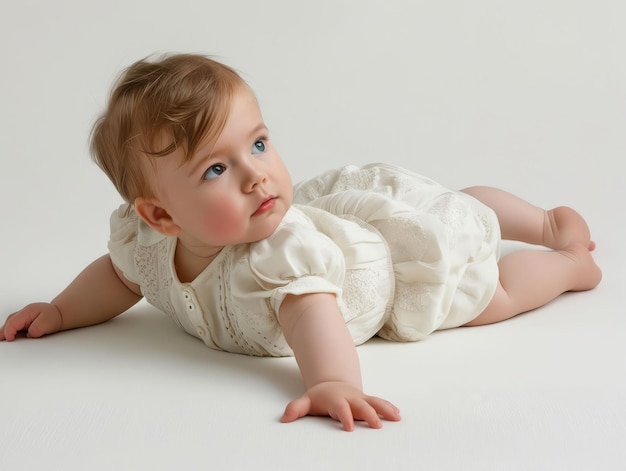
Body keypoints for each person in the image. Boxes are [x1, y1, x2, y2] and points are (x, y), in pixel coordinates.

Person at [0, 53, 602, 431]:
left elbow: (314, 319)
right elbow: (116, 276)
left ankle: (562, 252)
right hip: (351, 232)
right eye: (216, 170)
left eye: (258, 145)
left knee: (483, 288)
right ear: (159, 216)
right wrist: (60, 309)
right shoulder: (148, 247)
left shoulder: (277, 257)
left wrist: (332, 383)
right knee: (440, 210)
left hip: (382, 280)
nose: (256, 174)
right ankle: (535, 224)